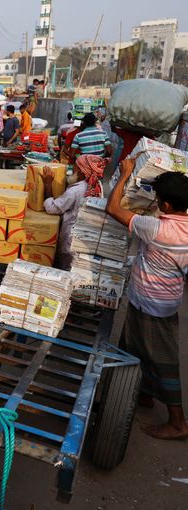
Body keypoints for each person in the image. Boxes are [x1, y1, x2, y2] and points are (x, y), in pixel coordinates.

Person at [107, 157, 188, 440]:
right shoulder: (181, 227)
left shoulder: (155, 228)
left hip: (152, 302)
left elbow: (113, 208)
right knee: (135, 345)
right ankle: (142, 394)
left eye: (158, 198)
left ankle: (178, 423)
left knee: (163, 360)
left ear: (165, 205)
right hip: (162, 299)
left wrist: (125, 174)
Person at [41, 155, 105, 270]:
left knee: (65, 269)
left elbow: (52, 208)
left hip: (71, 240)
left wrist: (48, 184)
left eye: (75, 168)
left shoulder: (75, 190)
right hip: (87, 238)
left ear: (81, 172)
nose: (72, 171)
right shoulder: (96, 185)